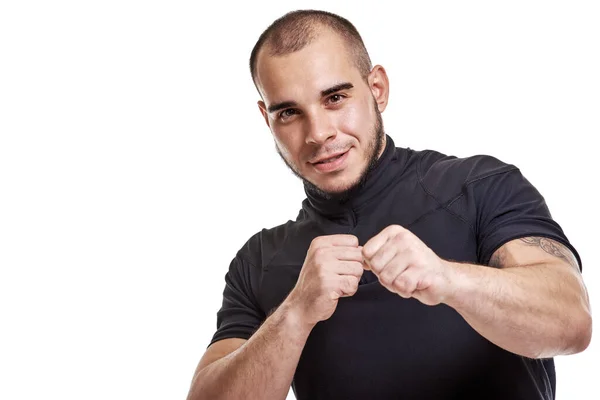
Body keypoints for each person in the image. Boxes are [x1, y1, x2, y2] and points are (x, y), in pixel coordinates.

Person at [186, 9, 592, 400]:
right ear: (267, 119)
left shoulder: (478, 187)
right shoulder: (259, 260)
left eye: (335, 98)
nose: (318, 133)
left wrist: (447, 280)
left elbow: (572, 322)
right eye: (290, 112)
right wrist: (295, 312)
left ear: (376, 89)